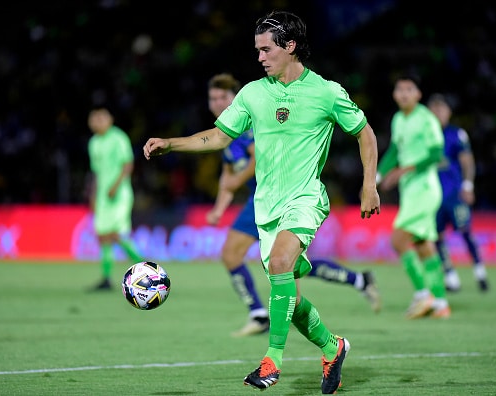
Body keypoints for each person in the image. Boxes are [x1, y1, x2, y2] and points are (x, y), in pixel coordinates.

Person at [143, 11, 381, 394]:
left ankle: (272, 360)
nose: (259, 57)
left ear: (289, 46)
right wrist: (172, 144)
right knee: (292, 298)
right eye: (256, 50)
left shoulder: (327, 92)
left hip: (305, 198)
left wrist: (370, 184)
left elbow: (364, 132)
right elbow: (219, 137)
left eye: (266, 49)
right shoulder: (253, 93)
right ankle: (332, 347)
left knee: (284, 263)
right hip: (265, 205)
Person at [205, 73, 381, 337]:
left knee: (282, 267)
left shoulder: (250, 125)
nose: (218, 103)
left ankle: (271, 323)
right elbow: (227, 174)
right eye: (213, 98)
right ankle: (355, 282)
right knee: (277, 265)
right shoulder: (228, 131)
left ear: (235, 97)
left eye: (223, 97)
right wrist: (220, 206)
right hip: (260, 201)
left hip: (282, 199)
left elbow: (251, 164)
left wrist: (235, 183)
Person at [377, 72, 450, 319]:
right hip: (411, 191)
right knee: (423, 245)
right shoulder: (398, 119)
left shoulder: (426, 119)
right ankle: (440, 303)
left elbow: (435, 154)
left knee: (398, 240)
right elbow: (395, 150)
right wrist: (377, 177)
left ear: (418, 94)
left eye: (409, 89)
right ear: (395, 94)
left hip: (425, 188)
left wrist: (403, 170)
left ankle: (423, 295)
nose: (404, 94)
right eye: (400, 89)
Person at [427, 93, 489, 292]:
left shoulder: (456, 134)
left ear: (449, 112)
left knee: (465, 231)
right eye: (433, 108)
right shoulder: (424, 135)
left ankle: (479, 271)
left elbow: (467, 162)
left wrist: (468, 186)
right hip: (432, 196)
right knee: (436, 236)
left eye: (441, 108)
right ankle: (451, 277)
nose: (437, 112)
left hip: (454, 194)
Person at [87, 106, 143, 290]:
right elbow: (95, 173)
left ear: (110, 119)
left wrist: (115, 186)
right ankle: (106, 278)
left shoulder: (118, 137)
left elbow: (128, 165)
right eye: (94, 118)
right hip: (103, 197)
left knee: (115, 235)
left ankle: (146, 268)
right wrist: (93, 195)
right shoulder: (94, 142)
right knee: (103, 236)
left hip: (119, 195)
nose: (98, 121)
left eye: (102, 117)